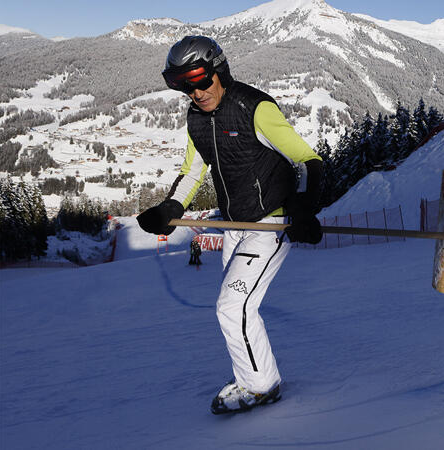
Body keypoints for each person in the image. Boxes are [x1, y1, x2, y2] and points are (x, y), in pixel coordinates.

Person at [136, 35, 323, 414]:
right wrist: (168, 210)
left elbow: (308, 160)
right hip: (233, 227)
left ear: (218, 71)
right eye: (185, 86)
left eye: (201, 80)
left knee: (231, 306)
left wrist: (303, 209)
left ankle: (260, 386)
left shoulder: (255, 108)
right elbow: (191, 174)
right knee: (237, 308)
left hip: (270, 225)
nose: (195, 92)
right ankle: (255, 377)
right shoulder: (196, 120)